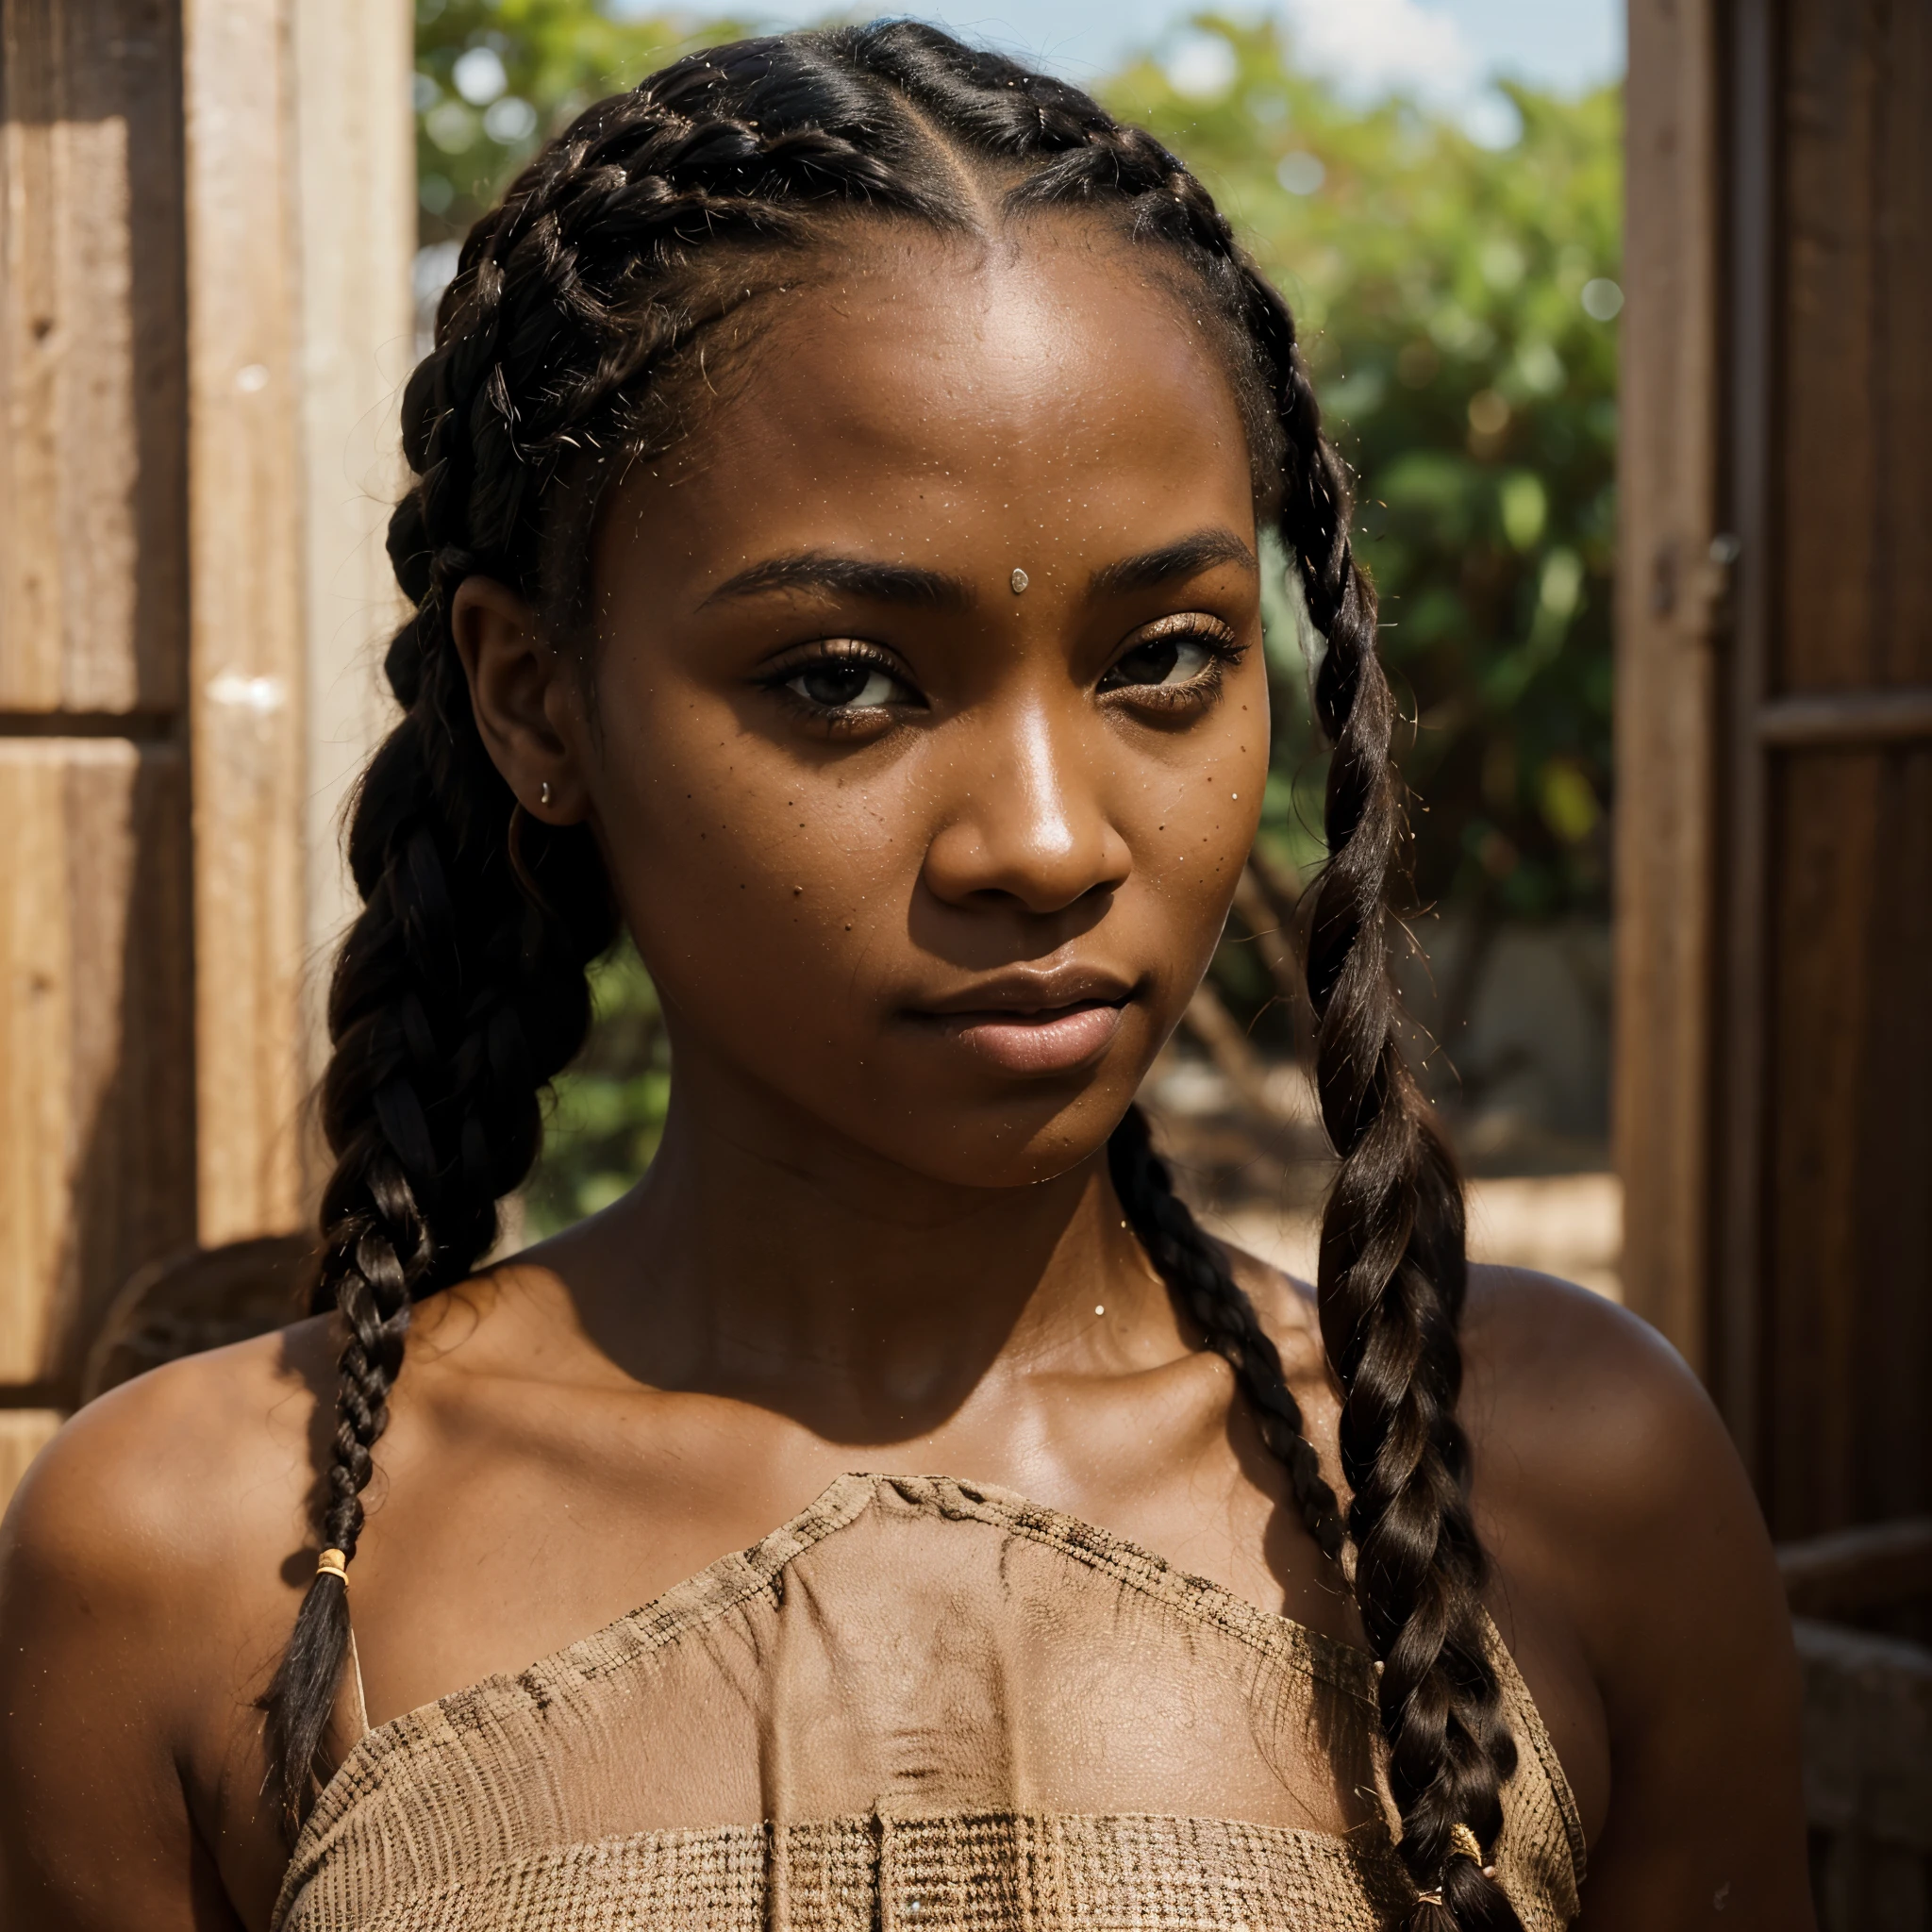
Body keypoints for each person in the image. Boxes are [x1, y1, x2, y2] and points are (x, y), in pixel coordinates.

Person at [0, 25, 1811, 1932]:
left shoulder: (1550, 1472)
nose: (1043, 837)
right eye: (844, 679)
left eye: (1165, 658)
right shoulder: (206, 1565)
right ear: (535, 699)